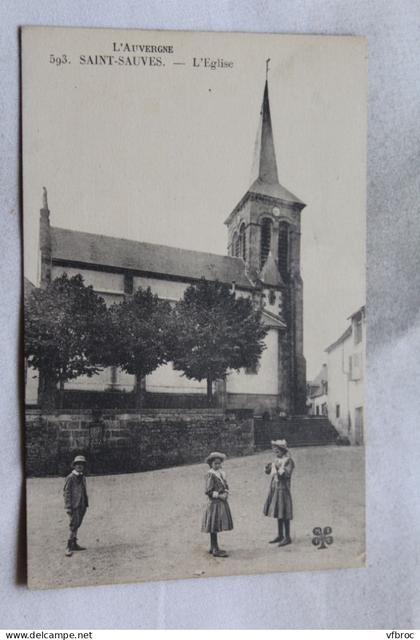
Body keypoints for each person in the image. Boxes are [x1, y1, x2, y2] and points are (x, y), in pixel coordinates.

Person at [263, 439, 295, 547]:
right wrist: (268, 467)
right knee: (278, 511)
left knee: (284, 512)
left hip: (283, 489)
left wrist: (277, 468)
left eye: (277, 451)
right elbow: (269, 472)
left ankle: (287, 537)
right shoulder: (277, 460)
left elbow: (287, 474)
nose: (276, 454)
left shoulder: (288, 461)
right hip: (275, 488)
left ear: (283, 451)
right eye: (275, 452)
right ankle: (280, 535)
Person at [201, 452, 233, 557]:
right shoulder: (210, 475)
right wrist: (220, 496)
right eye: (215, 464)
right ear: (211, 464)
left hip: (220, 503)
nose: (218, 465)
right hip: (214, 504)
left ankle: (214, 547)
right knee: (213, 525)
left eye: (219, 463)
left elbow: (226, 485)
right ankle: (215, 549)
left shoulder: (221, 473)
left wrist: (226, 493)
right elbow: (208, 491)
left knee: (215, 525)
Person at [63, 454, 89, 557]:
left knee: (77, 523)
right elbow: (66, 492)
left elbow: (84, 490)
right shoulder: (70, 477)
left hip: (82, 504)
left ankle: (74, 543)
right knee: (73, 525)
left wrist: (85, 502)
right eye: (77, 464)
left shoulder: (83, 477)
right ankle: (68, 546)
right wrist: (68, 506)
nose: (79, 466)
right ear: (74, 466)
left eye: (82, 464)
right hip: (73, 505)